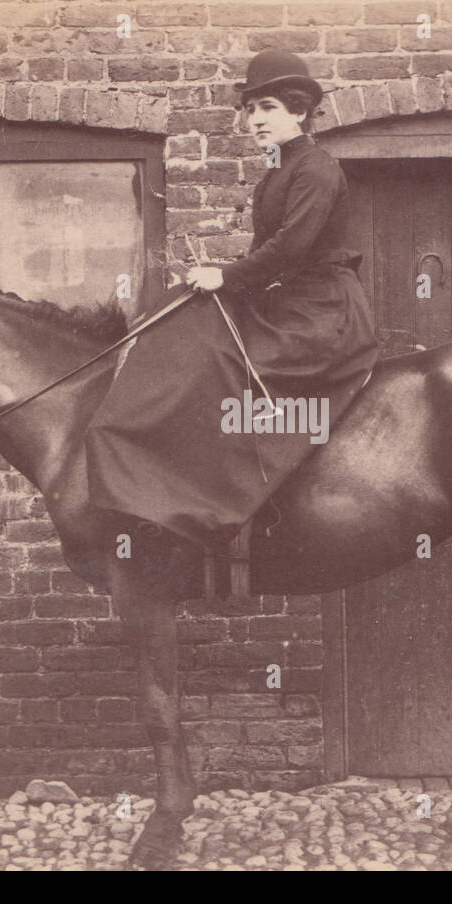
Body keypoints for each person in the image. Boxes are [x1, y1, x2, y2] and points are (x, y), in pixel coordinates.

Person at [83, 49, 379, 554]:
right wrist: (221, 281)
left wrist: (224, 276)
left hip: (323, 313)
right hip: (290, 305)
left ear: (300, 110)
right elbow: (273, 254)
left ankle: (235, 501)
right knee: (188, 325)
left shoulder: (317, 169)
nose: (254, 120)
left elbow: (291, 248)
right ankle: (186, 491)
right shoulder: (279, 172)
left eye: (267, 107)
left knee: (219, 359)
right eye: (250, 109)